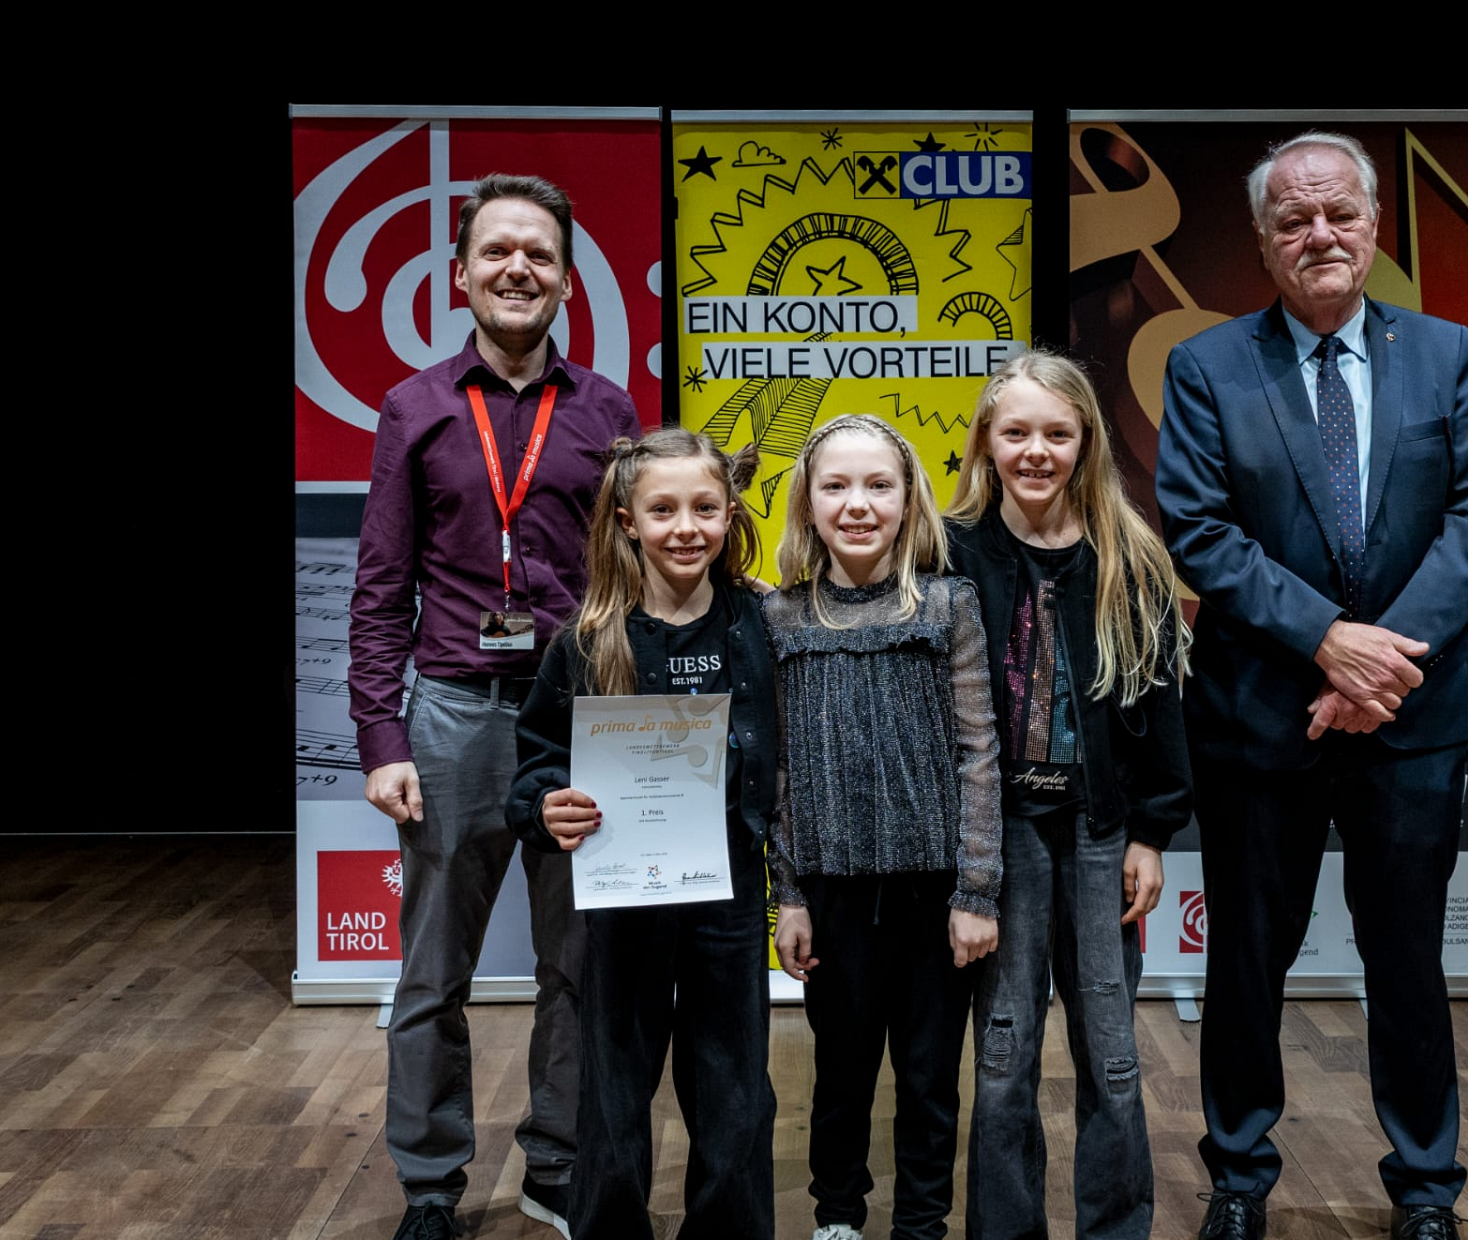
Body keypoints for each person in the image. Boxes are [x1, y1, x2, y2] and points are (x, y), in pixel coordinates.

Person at [1155, 131, 1468, 1240]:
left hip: (1409, 713)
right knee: (1247, 961)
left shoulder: (1444, 352)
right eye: (1294, 219)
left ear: (1373, 225)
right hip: (1262, 717)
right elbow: (1200, 532)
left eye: (1340, 213)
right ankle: (1239, 1178)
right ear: (1264, 242)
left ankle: (1427, 1188)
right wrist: (1326, 642)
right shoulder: (1208, 365)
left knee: (1409, 962)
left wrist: (1376, 659)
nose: (1321, 234)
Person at [348, 174, 641, 1240]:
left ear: (566, 280)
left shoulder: (607, 410)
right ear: (462, 272)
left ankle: (555, 1163)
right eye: (498, 251)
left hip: (581, 716)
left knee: (580, 961)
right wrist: (381, 737)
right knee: (434, 969)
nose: (519, 268)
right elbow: (382, 584)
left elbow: (635, 574)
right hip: (454, 716)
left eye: (540, 254)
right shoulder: (415, 408)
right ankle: (431, 1184)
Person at [945, 351, 1194, 1240]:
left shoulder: (1130, 556)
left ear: (1086, 440)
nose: (1036, 451)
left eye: (1057, 432)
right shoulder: (949, 551)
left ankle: (1116, 1227)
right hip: (1002, 834)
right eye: (1016, 432)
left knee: (1113, 1051)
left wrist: (1153, 832)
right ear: (987, 440)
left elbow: (1159, 709)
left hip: (1100, 832)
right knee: (1004, 1052)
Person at [506, 429, 778, 1240]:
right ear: (627, 520)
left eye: (705, 508)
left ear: (730, 514)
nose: (686, 528)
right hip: (622, 902)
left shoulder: (763, 624)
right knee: (614, 1089)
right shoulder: (588, 641)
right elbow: (536, 762)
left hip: (729, 894)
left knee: (735, 1091)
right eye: (663, 510)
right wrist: (545, 804)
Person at [765, 413, 1003, 1240]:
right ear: (808, 503)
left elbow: (979, 752)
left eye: (878, 485)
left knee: (931, 1078)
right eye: (835, 486)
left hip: (935, 894)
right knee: (840, 1073)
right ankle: (837, 1216)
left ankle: (921, 1225)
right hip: (830, 893)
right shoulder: (781, 617)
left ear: (909, 500)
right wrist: (789, 896)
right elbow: (779, 772)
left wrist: (977, 892)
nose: (857, 504)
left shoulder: (949, 604)